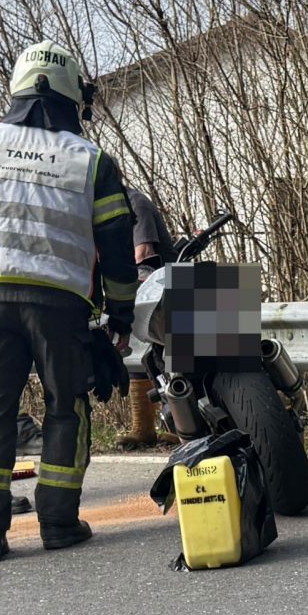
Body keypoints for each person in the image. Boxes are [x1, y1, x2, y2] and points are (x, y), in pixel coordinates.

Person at [0, 40, 136, 562]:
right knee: (66, 408)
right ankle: (58, 523)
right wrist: (121, 313)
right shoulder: (91, 159)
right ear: (73, 96)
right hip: (60, 305)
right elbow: (116, 242)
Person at [116, 190, 168, 448]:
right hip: (153, 292)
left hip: (166, 288)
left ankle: (184, 429)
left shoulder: (134, 203)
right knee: (139, 352)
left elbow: (143, 253)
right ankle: (144, 429)